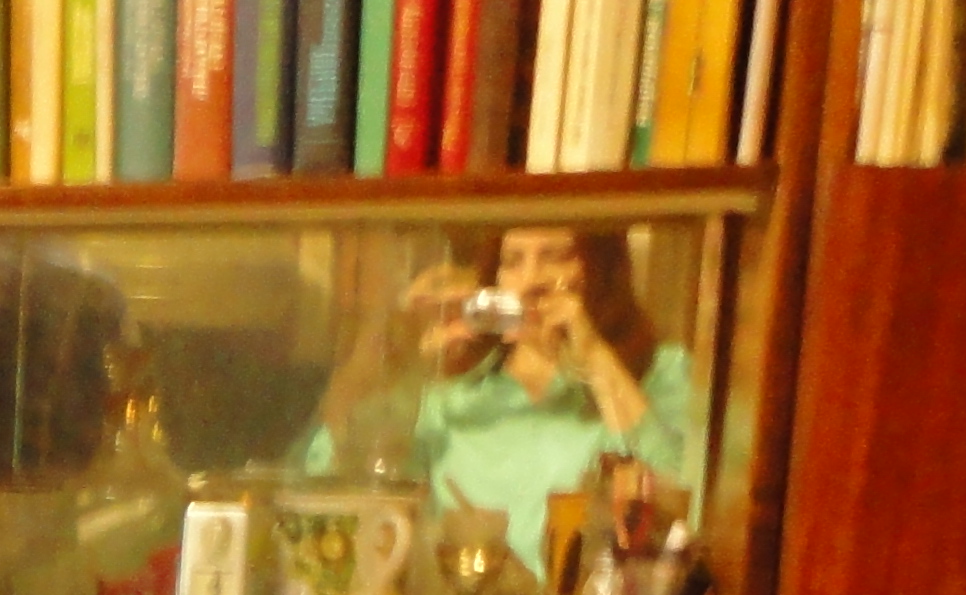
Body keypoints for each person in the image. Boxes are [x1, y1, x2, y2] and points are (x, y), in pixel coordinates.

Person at [298, 224, 703, 575]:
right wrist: (394, 350)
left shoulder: (659, 373)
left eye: (557, 257)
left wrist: (596, 362)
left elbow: (690, 508)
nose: (532, 280)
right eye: (513, 261)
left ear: (603, 268)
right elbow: (329, 477)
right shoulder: (451, 393)